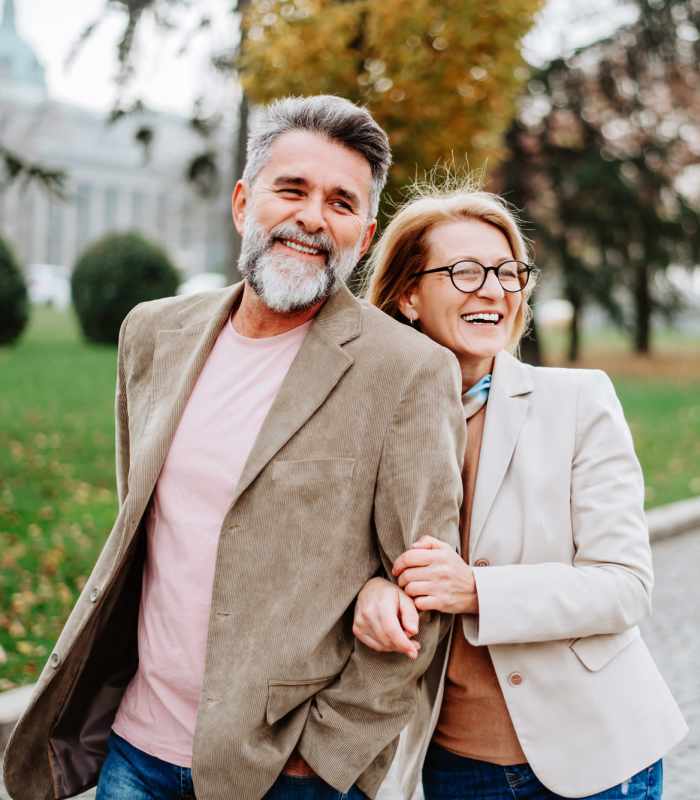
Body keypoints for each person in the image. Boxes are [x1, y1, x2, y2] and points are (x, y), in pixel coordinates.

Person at [2, 96, 467, 800]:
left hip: (283, 771)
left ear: (363, 235)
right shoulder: (153, 334)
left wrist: (327, 756)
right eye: (292, 189)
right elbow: (143, 532)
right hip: (135, 749)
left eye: (341, 203)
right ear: (244, 201)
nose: (313, 216)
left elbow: (424, 593)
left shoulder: (405, 371)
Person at [353, 184, 688, 800]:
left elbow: (625, 585)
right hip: (453, 765)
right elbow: (347, 554)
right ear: (407, 295)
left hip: (596, 760)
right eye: (465, 271)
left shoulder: (579, 402)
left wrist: (474, 590)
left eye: (509, 272)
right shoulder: (368, 421)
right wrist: (371, 589)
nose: (494, 289)